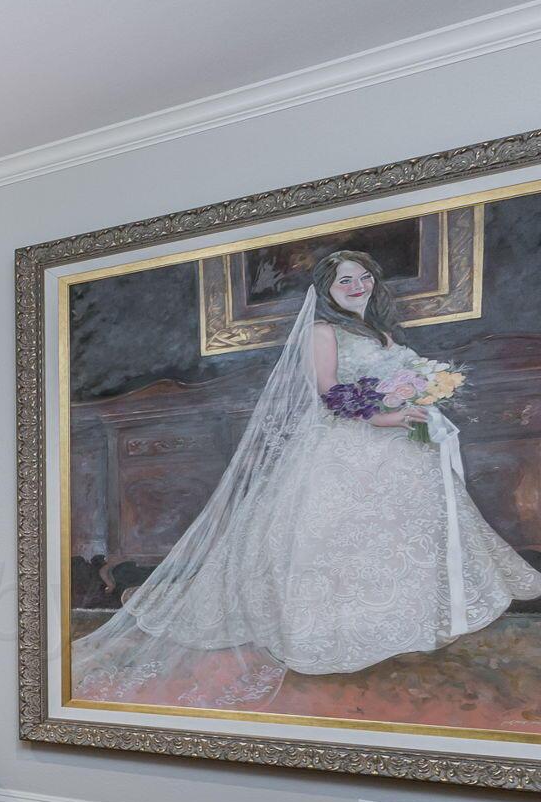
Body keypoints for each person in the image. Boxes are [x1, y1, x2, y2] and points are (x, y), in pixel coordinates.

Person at [74, 250, 541, 706]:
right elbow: (329, 391)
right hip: (347, 445)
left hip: (401, 448)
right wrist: (385, 417)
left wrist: (420, 396)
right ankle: (330, 630)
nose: (357, 287)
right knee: (333, 538)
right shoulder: (322, 331)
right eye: (345, 281)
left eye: (364, 278)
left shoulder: (380, 332)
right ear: (326, 290)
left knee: (401, 537)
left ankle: (403, 625)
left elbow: (400, 380)